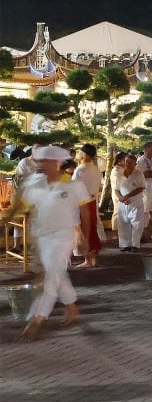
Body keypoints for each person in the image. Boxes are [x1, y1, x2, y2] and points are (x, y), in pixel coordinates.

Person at [0, 145, 95, 341]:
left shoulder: (74, 185)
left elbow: (85, 212)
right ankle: (72, 308)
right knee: (57, 273)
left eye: (45, 161)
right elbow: (19, 205)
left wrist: (84, 236)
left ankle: (38, 318)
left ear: (56, 163)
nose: (40, 164)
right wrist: (6, 221)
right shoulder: (34, 183)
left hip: (64, 236)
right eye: (39, 161)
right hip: (42, 237)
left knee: (51, 276)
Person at [72, 144, 104, 268]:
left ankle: (88, 260)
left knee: (85, 230)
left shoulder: (81, 170)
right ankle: (92, 258)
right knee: (91, 229)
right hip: (92, 201)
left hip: (82, 203)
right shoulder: (95, 169)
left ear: (84, 155)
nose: (78, 155)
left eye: (80, 152)